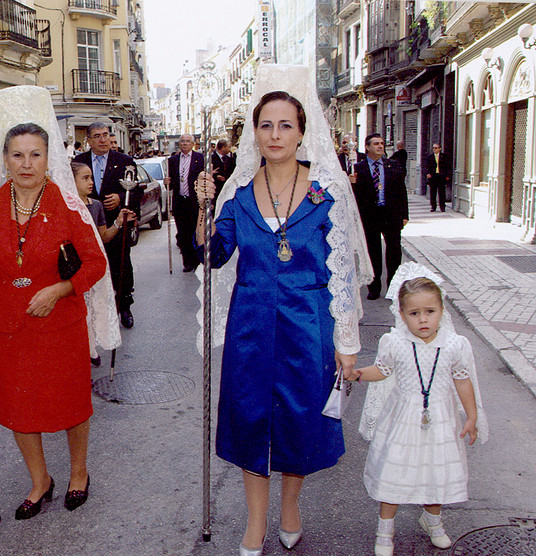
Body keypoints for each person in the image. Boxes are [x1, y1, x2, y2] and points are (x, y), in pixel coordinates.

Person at [194, 65, 373, 555]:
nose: (275, 134)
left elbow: (340, 273)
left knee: (298, 421)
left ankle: (290, 506)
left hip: (308, 327)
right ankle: (255, 521)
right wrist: (203, 211)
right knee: (252, 421)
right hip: (251, 328)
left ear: (301, 133)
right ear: (255, 132)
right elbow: (212, 255)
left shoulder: (327, 194)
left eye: (285, 125)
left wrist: (347, 344)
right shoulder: (239, 195)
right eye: (266, 125)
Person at [0, 86, 120, 520]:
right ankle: (40, 481)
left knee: (72, 404)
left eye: (35, 155)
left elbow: (95, 264)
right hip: (11, 328)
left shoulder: (67, 206)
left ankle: (79, 473)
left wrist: (59, 290)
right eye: (17, 155)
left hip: (60, 325)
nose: (26, 164)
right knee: (21, 410)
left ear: (47, 158)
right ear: (4, 160)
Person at [355, 262, 488, 556]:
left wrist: (472, 416)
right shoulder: (396, 343)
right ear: (402, 315)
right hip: (402, 420)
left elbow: (463, 382)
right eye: (414, 313)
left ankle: (433, 521)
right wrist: (359, 373)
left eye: (430, 311)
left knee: (435, 473)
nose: (423, 319)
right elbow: (382, 370)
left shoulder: (454, 345)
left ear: (442, 310)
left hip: (440, 420)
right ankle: (385, 530)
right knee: (395, 471)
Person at [73, 122, 140, 328]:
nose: (103, 140)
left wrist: (121, 198)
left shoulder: (125, 161)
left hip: (115, 224)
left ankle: (125, 307)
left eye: (105, 135)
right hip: (87, 224)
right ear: (89, 140)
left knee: (120, 266)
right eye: (97, 136)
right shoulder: (79, 161)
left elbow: (136, 191)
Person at [71, 161, 135, 367]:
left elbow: (104, 237)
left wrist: (118, 221)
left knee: (93, 310)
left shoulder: (96, 205)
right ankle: (86, 350)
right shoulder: (66, 206)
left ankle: (91, 347)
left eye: (91, 177)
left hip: (94, 268)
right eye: (85, 178)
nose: (91, 182)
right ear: (72, 181)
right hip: (74, 268)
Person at [353, 133, 409, 301]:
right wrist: (351, 183)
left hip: (390, 214)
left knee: (394, 251)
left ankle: (393, 287)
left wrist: (404, 215)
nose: (380, 146)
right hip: (370, 216)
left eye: (382, 143)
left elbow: (401, 191)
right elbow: (355, 196)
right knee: (373, 252)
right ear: (367, 147)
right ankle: (374, 287)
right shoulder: (358, 168)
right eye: (376, 143)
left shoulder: (393, 165)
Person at [164, 134, 204, 272]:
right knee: (183, 234)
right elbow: (171, 183)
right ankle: (188, 262)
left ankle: (198, 260)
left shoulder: (200, 159)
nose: (185, 143)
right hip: (180, 201)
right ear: (179, 144)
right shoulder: (172, 160)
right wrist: (167, 183)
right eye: (182, 141)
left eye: (188, 141)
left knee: (196, 232)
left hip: (195, 201)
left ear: (193, 144)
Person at [426, 143, 449, 212]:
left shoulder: (444, 156)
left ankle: (442, 206)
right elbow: (427, 167)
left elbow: (447, 166)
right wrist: (428, 174)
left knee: (442, 192)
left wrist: (447, 175)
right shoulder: (430, 157)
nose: (434, 149)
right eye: (433, 148)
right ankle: (433, 206)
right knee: (433, 192)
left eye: (436, 148)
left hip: (441, 176)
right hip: (433, 176)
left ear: (440, 149)